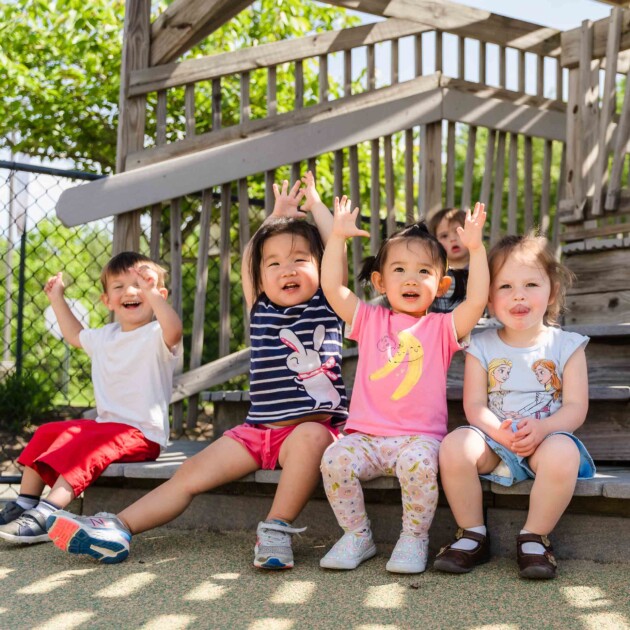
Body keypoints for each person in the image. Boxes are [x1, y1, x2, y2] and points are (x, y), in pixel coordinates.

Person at [46, 172, 349, 569]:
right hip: (256, 432)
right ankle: (118, 527)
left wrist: (324, 215)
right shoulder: (261, 306)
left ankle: (275, 528)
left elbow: (335, 258)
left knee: (311, 438)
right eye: (274, 263)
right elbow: (249, 261)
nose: (286, 270)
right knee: (188, 475)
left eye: (299, 260)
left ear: (319, 267)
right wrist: (272, 220)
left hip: (308, 430)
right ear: (261, 275)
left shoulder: (328, 302)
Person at [319, 198, 488, 573]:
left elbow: (477, 300)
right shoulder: (369, 320)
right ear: (380, 281)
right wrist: (337, 238)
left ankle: (413, 538)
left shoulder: (441, 328)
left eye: (423, 271)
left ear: (441, 285)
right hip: (365, 436)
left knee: (419, 466)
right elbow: (332, 287)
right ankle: (357, 535)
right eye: (399, 269)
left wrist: (475, 250)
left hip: (418, 439)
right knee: (334, 459)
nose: (411, 279)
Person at [434, 233, 595, 579]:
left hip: (545, 441)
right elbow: (474, 405)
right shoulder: (481, 345)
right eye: (505, 286)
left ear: (551, 291)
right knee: (454, 445)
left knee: (564, 452)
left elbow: (575, 408)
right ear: (489, 298)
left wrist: (544, 429)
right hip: (494, 440)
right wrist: (498, 433)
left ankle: (534, 537)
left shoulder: (567, 346)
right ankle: (472, 533)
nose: (518, 294)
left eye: (531, 284)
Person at [0, 252, 183, 544]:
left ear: (158, 293)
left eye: (141, 284)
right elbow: (74, 334)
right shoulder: (105, 337)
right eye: (119, 286)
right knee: (49, 431)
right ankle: (25, 503)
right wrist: (56, 297)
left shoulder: (157, 334)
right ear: (107, 301)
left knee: (88, 443)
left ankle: (48, 513)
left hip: (141, 434)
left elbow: (175, 329)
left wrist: (153, 294)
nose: (131, 291)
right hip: (106, 427)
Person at [429, 208, 469, 313]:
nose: (452, 239)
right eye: (444, 236)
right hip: (439, 324)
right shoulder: (435, 271)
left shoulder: (479, 268)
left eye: (458, 231)